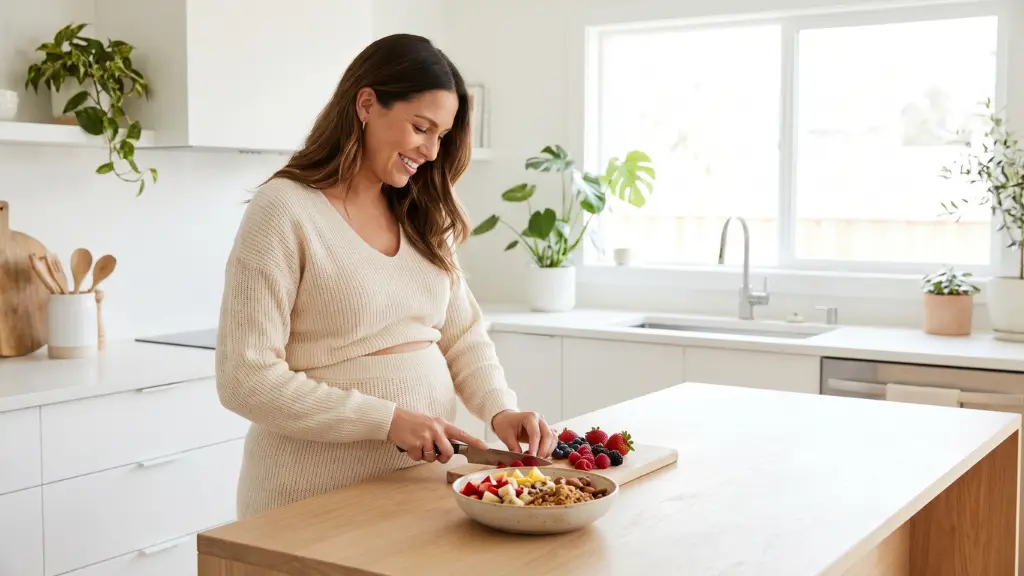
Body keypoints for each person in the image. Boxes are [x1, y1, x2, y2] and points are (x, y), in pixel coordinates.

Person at [215, 33, 556, 519]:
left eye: (442, 135)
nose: (433, 151)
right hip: (310, 500)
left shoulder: (424, 213)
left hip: (416, 492)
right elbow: (243, 378)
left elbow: (461, 335)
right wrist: (387, 421)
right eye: (421, 127)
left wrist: (501, 409)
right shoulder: (284, 210)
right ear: (368, 104)